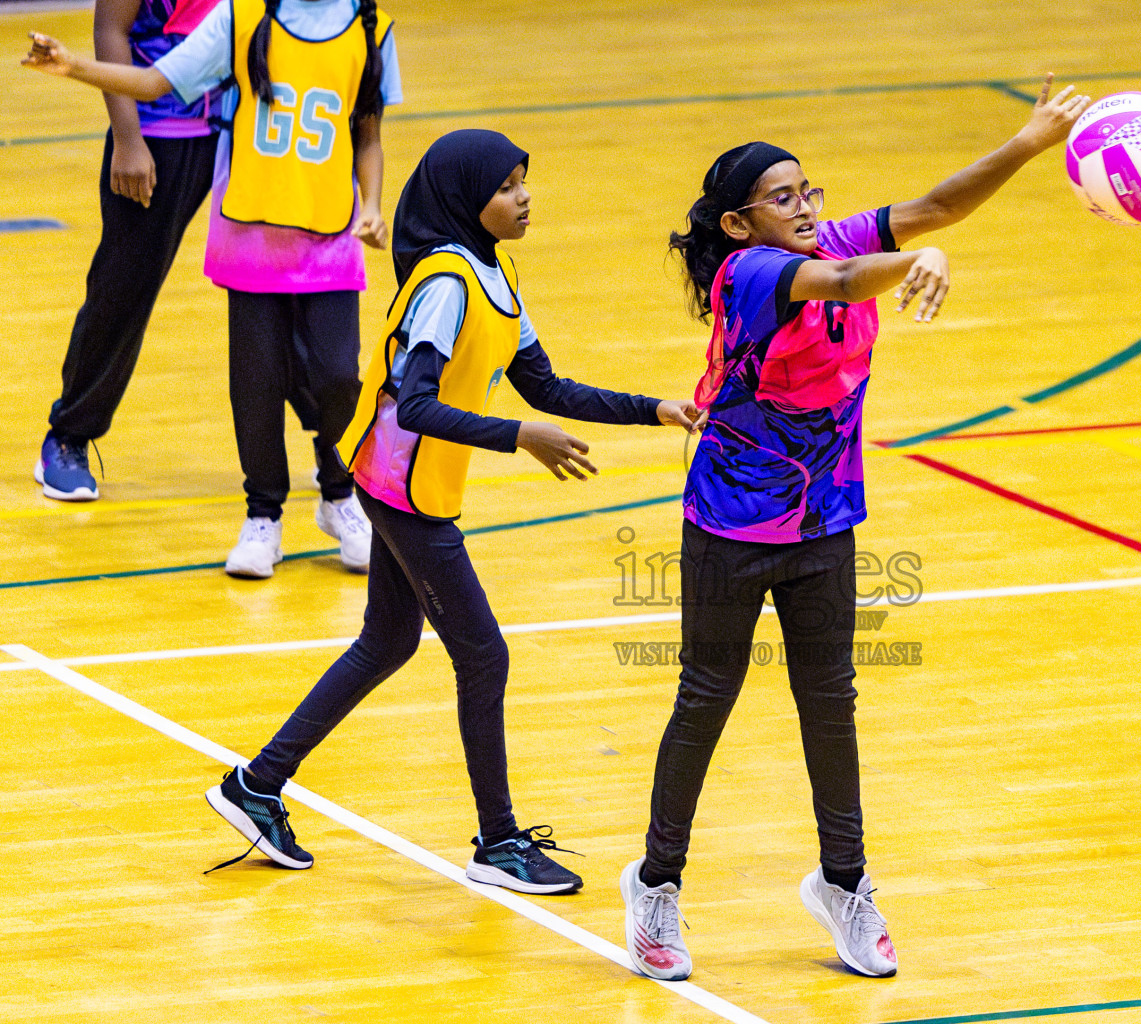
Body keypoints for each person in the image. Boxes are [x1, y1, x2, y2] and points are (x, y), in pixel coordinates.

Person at [619, 77, 1092, 981]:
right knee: (704, 701)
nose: (805, 208)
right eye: (783, 198)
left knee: (832, 706)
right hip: (731, 521)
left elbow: (939, 205)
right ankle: (656, 883)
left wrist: (1030, 142)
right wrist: (910, 268)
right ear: (738, 224)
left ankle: (844, 884)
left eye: (810, 192)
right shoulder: (750, 274)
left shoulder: (833, 237)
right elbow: (835, 282)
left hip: (827, 518)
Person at [198, 129, 701, 893]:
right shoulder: (446, 284)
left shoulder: (494, 275)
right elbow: (421, 404)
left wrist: (652, 409)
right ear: (468, 200)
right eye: (507, 187)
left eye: (525, 181)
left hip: (404, 482)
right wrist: (518, 438)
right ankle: (498, 843)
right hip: (402, 485)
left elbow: (549, 389)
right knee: (484, 654)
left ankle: (255, 786)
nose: (524, 196)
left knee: (386, 642)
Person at [25, 0, 404, 578]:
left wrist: (373, 204)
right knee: (140, 294)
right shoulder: (237, 21)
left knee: (326, 361)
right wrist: (102, 104)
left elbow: (360, 115)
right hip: (191, 156)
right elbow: (134, 53)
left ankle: (338, 483)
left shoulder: (362, 27)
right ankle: (77, 438)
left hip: (287, 179)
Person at [34, 0, 222, 503]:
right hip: (160, 134)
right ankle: (70, 434)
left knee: (282, 288)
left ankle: (327, 448)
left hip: (241, 132)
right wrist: (128, 136)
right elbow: (109, 28)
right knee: (123, 288)